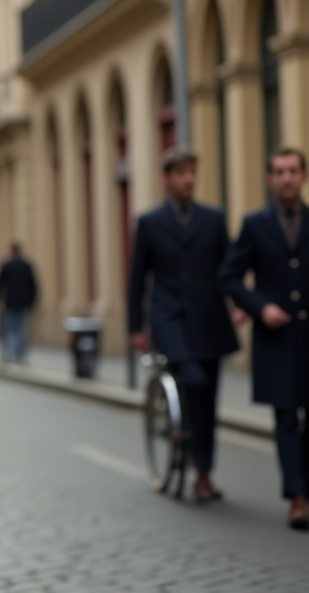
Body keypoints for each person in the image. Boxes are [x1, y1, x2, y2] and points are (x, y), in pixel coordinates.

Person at [127, 147, 239, 503]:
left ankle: (204, 471)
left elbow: (229, 267)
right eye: (181, 173)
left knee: (209, 398)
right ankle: (191, 450)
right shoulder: (149, 222)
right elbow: (137, 278)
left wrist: (239, 304)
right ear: (167, 179)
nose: (188, 179)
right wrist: (136, 327)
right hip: (170, 319)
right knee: (193, 380)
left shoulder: (213, 218)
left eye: (192, 172)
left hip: (210, 320)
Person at [220, 147, 309, 530]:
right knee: (286, 419)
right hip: (276, 340)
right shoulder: (255, 224)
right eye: (280, 172)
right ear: (271, 178)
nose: (287, 178)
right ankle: (298, 498)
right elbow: (229, 276)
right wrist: (259, 307)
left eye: (293, 170)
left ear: (303, 175)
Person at [0, 242, 38, 363]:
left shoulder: (7, 265)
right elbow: (33, 284)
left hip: (10, 301)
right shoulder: (26, 265)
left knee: (10, 328)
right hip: (23, 301)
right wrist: (32, 301)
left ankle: (11, 350)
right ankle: (19, 352)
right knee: (21, 328)